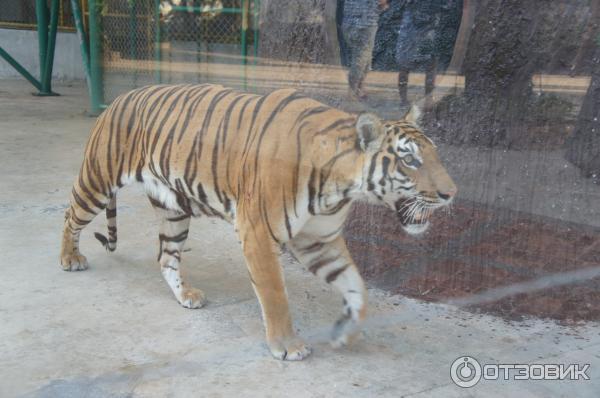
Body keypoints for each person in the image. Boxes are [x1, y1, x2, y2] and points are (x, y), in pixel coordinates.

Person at [340, 0, 388, 100]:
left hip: (348, 24)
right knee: (361, 59)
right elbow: (382, 3)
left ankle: (360, 88)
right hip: (365, 26)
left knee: (365, 58)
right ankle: (351, 91)